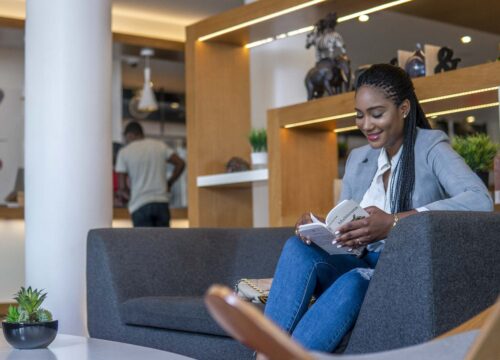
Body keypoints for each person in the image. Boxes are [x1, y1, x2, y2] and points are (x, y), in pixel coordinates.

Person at [262, 64, 493, 354]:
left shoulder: (430, 146)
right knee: (297, 248)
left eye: (377, 114)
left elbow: (478, 199)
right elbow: (345, 218)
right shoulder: (359, 159)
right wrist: (322, 227)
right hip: (358, 260)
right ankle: (264, 353)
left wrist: (394, 222)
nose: (366, 124)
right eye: (359, 115)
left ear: (404, 108)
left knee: (354, 281)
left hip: (398, 269)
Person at [115, 121, 185, 227]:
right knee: (163, 243)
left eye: (126, 138)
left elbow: (122, 187)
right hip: (161, 203)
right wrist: (169, 183)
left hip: (139, 205)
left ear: (130, 135)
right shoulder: (159, 146)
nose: (126, 141)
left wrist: (130, 196)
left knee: (144, 243)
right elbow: (180, 163)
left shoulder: (124, 152)